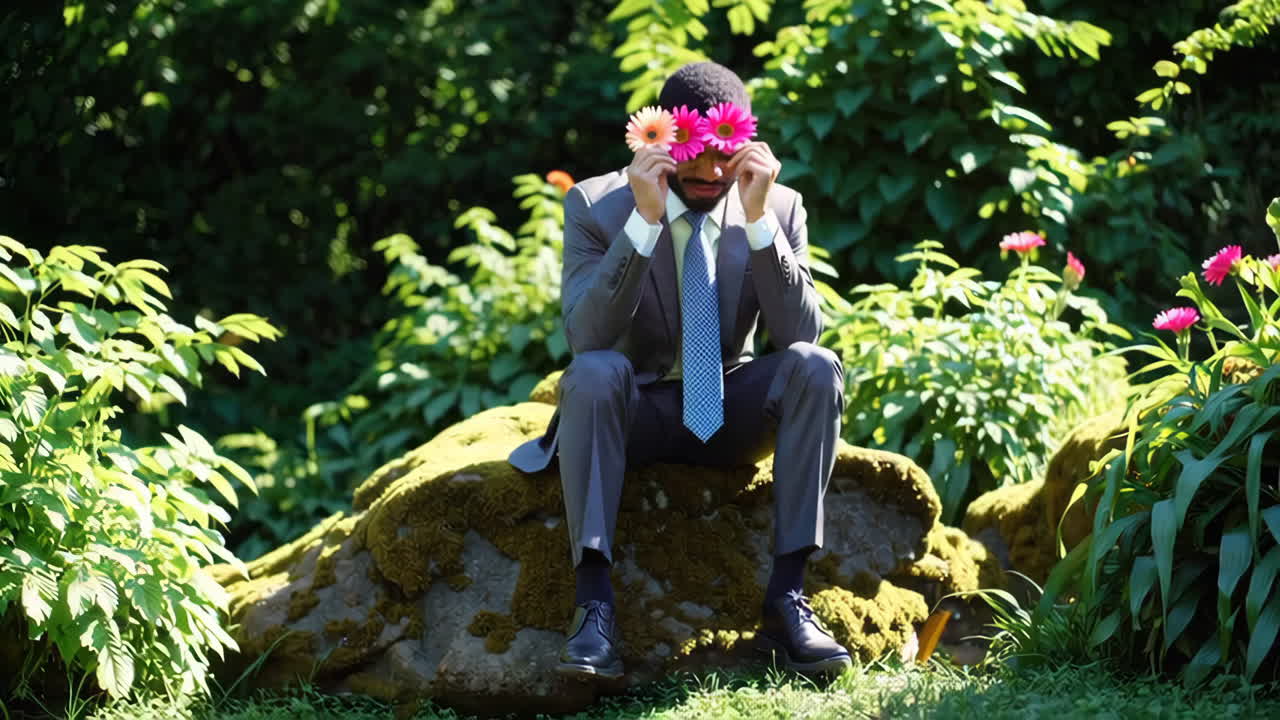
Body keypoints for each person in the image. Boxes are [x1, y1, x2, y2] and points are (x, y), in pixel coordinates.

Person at [508, 61, 851, 680]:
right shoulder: (596, 204)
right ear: (664, 138)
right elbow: (586, 336)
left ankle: (788, 597)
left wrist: (757, 219)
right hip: (633, 409)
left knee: (816, 366)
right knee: (590, 372)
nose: (711, 171)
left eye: (726, 153)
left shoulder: (778, 205)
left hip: (728, 408)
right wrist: (643, 221)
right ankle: (593, 606)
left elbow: (801, 334)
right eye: (696, 150)